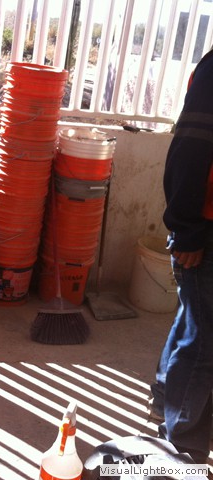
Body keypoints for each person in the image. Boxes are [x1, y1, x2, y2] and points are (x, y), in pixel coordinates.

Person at [149, 46, 213, 464]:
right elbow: (189, 150)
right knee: (205, 342)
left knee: (195, 319)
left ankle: (164, 400)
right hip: (206, 226)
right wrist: (187, 229)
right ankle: (184, 448)